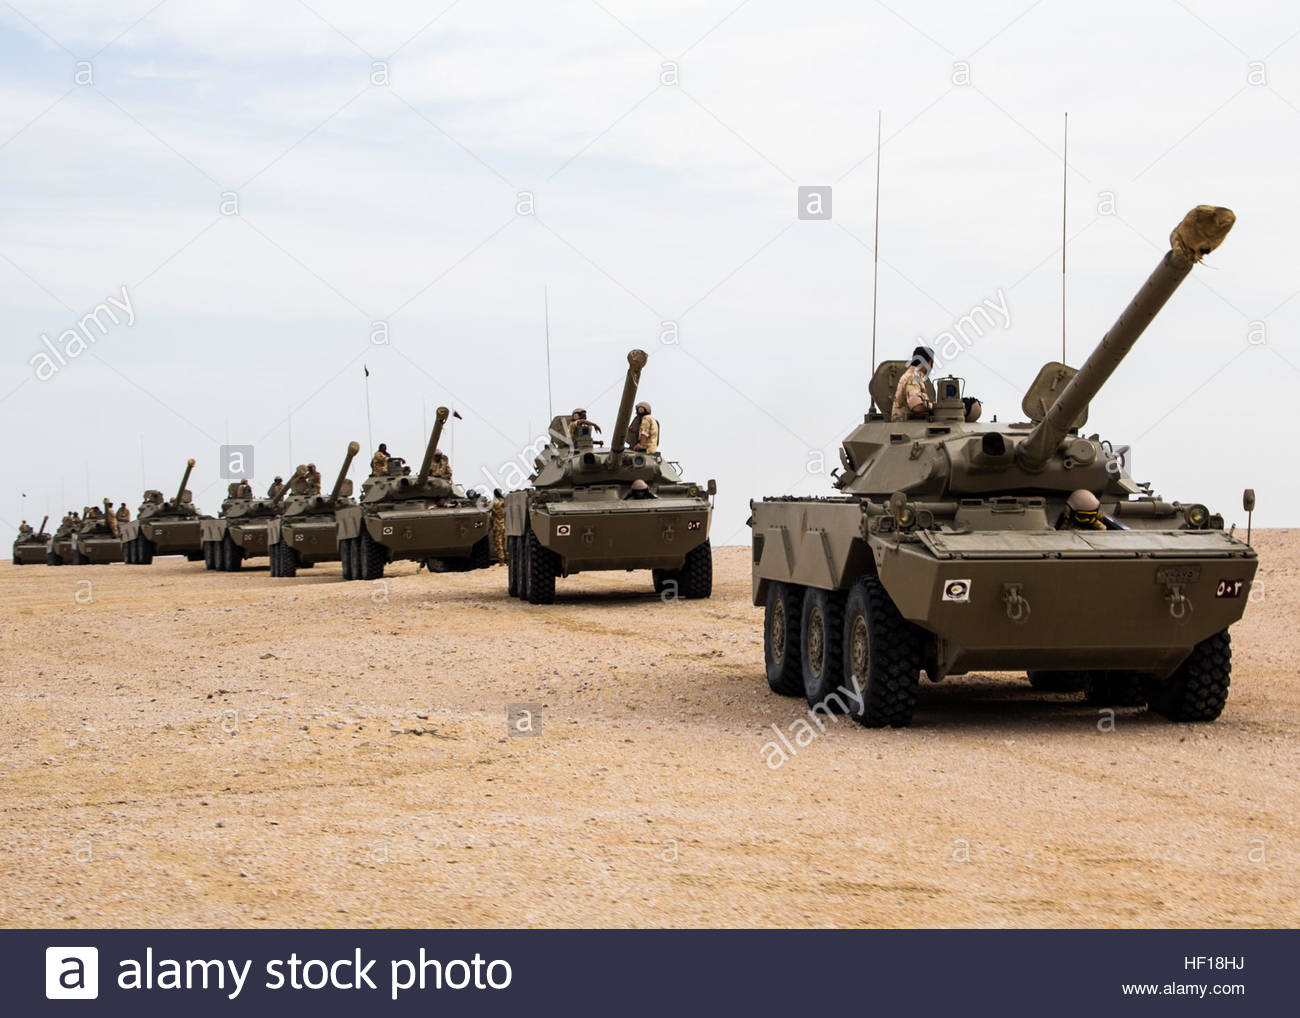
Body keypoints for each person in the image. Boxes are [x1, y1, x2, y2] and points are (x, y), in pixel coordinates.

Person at [891, 346, 934, 422]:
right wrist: (935, 409)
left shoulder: (914, 376)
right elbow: (916, 407)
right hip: (906, 426)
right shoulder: (913, 377)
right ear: (929, 362)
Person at [490, 488, 506, 565]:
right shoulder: (505, 501)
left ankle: (501, 561)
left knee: (499, 543)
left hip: (498, 525)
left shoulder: (495, 503)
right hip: (505, 525)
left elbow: (485, 506)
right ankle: (508, 560)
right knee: (505, 542)